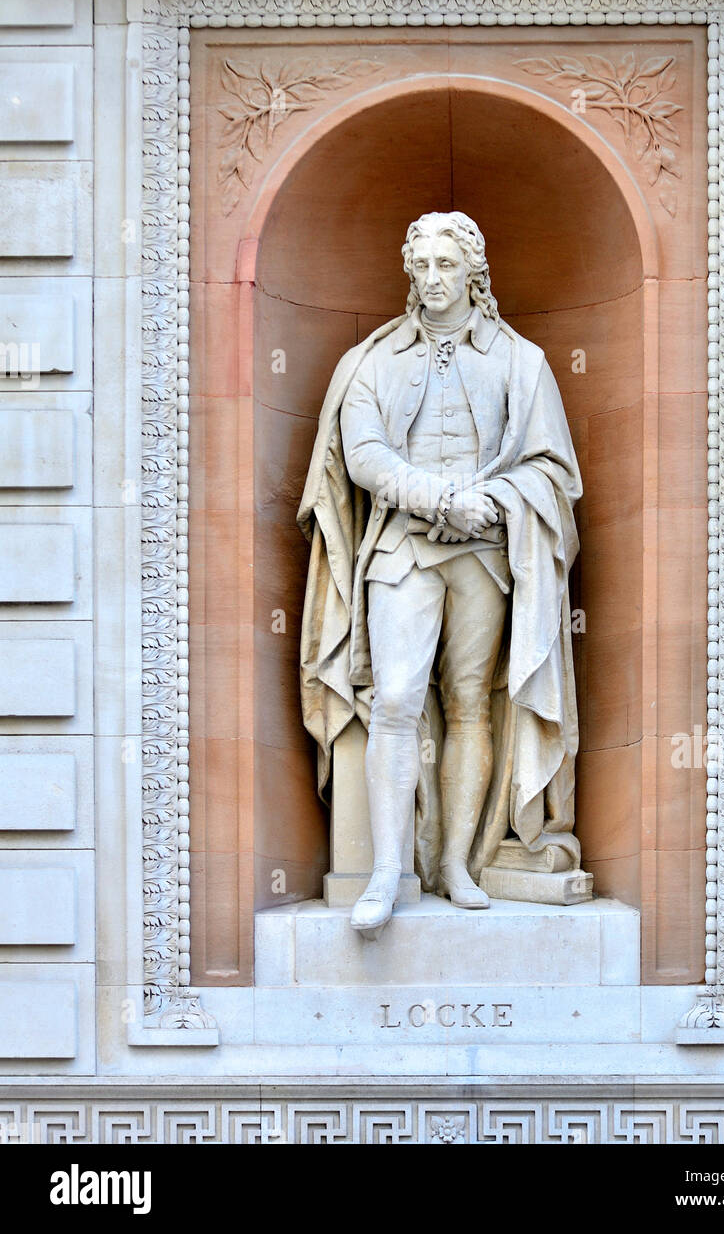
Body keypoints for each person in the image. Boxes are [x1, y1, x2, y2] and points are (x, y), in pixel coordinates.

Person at [298, 211, 583, 935]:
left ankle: (456, 862)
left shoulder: (521, 361)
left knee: (466, 705)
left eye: (445, 266)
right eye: (420, 266)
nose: (431, 279)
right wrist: (441, 497)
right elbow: (360, 454)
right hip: (403, 548)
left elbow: (554, 469)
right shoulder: (372, 360)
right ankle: (389, 870)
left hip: (485, 552)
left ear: (473, 272)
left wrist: (486, 503)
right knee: (394, 699)